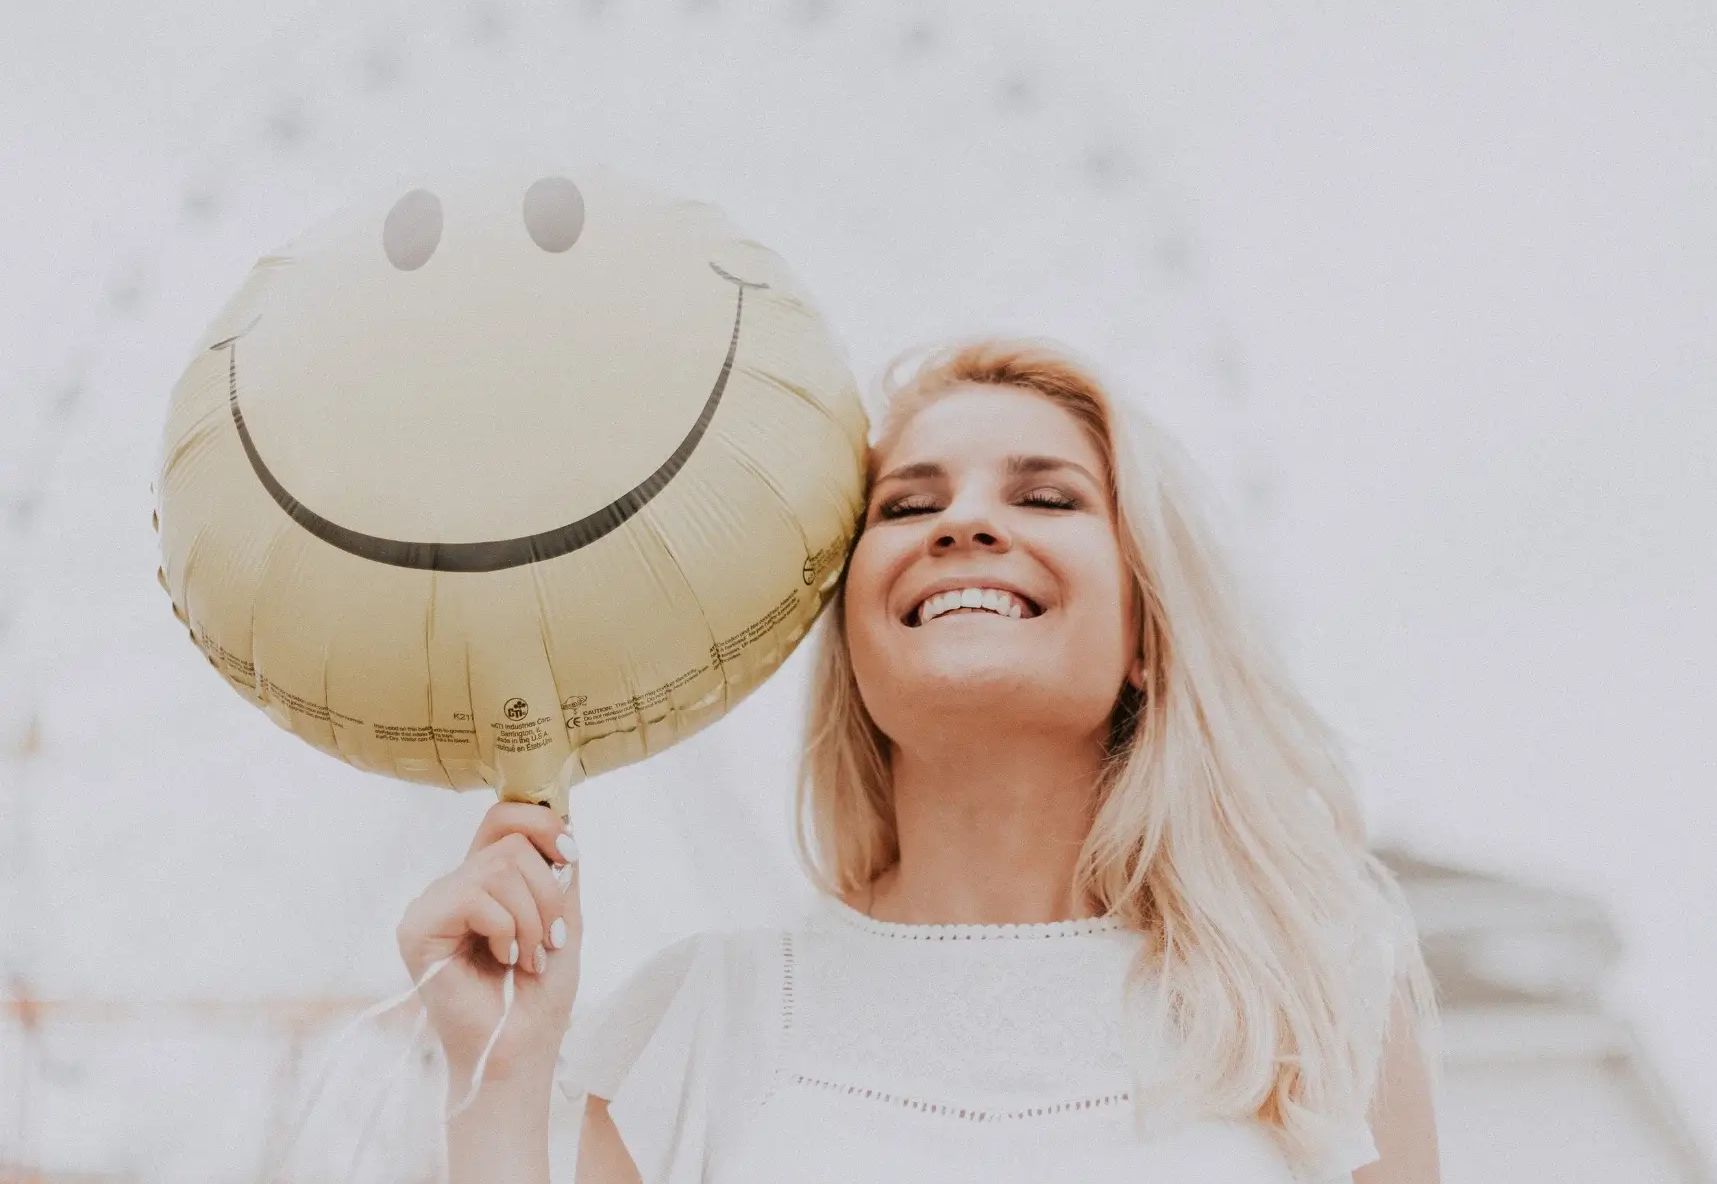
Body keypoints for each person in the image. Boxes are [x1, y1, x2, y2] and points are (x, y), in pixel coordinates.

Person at [398, 338, 1445, 1183]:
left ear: (1145, 636)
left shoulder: (1313, 998)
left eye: (1046, 498)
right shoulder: (702, 1027)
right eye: (908, 505)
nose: (966, 522)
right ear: (851, 640)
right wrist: (495, 1073)